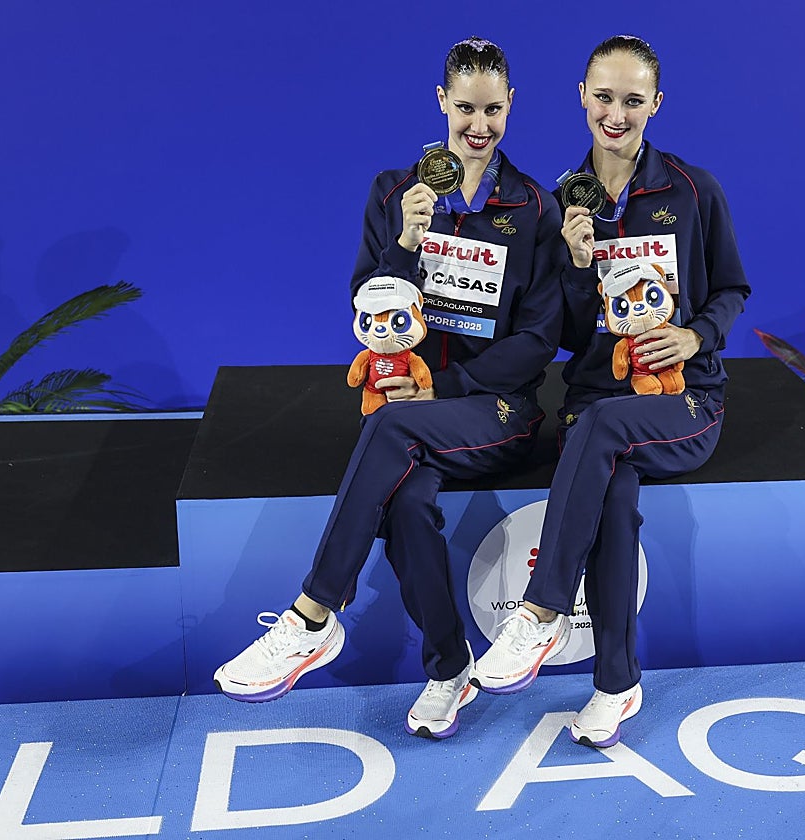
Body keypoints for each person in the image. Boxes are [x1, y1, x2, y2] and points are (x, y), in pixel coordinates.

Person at [214, 37, 564, 740]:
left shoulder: (535, 207)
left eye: (493, 109)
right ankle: (449, 668)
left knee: (393, 430)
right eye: (465, 107)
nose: (478, 124)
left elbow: (540, 338)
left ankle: (312, 614)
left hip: (493, 409)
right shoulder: (393, 192)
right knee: (404, 502)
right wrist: (404, 244)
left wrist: (447, 385)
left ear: (511, 106)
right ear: (441, 102)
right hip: (405, 411)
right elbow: (365, 305)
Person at [473, 35, 752, 748]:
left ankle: (538, 615)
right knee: (614, 486)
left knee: (602, 433)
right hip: (598, 402)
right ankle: (617, 685)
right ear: (582, 97)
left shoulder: (693, 191)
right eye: (604, 96)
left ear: (656, 104)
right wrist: (572, 263)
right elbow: (565, 335)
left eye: (633, 99)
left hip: (684, 402)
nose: (617, 113)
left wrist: (695, 338)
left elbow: (731, 289)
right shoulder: (564, 204)